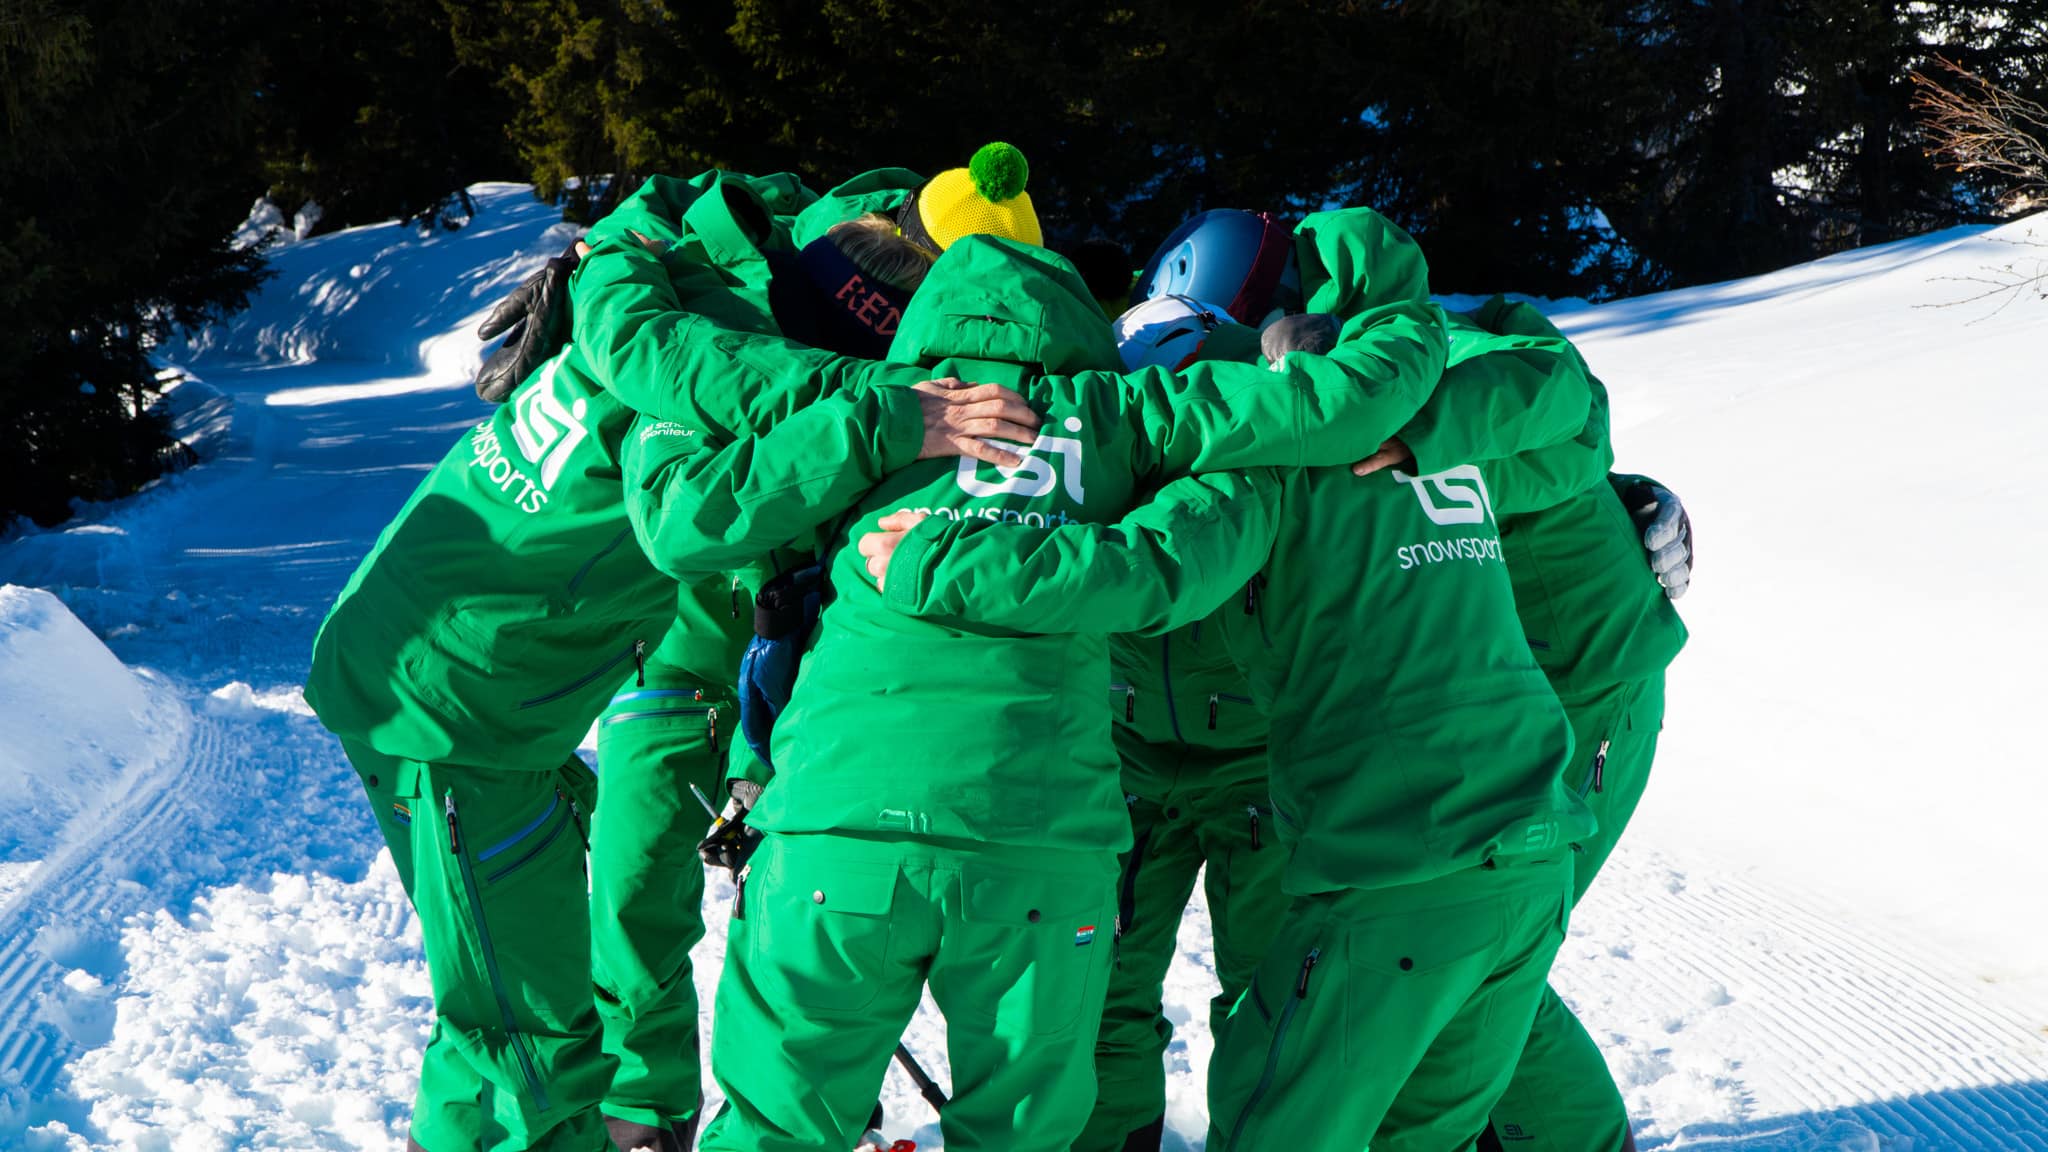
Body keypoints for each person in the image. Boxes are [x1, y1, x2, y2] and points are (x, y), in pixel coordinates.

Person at [604, 216, 1447, 1152]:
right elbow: (1344, 411)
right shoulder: (1130, 412)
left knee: (775, 1128)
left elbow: (654, 354)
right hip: (1039, 848)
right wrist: (1388, 317)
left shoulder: (853, 392)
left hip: (838, 833)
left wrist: (609, 257)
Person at [303, 166, 1036, 1152]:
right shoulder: (708, 377)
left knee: (539, 1007)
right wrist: (892, 414)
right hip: (450, 709)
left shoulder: (697, 291)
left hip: (489, 709)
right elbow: (689, 528)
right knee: (520, 1040)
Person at [855, 207, 1603, 1152]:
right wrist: (1430, 410)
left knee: (1274, 1106)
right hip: (1529, 844)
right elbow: (1576, 415)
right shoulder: (1449, 438)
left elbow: (1143, 569)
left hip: (1398, 853)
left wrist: (946, 559)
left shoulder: (1261, 463)